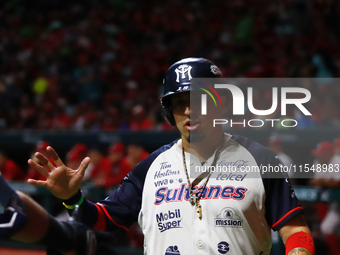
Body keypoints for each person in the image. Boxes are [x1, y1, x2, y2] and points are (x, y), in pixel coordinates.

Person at [0, 58, 315, 255]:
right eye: (180, 103)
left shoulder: (259, 159)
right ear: (169, 112)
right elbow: (104, 221)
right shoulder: (151, 167)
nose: (190, 111)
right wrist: (73, 199)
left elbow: (295, 230)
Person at [309, 141, 340, 255]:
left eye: (321, 153)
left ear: (328, 153)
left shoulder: (337, 161)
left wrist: (324, 182)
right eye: (318, 153)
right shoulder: (318, 162)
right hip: (334, 204)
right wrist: (323, 182)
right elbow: (317, 183)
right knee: (327, 228)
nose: (319, 156)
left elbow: (337, 183)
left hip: (336, 201)